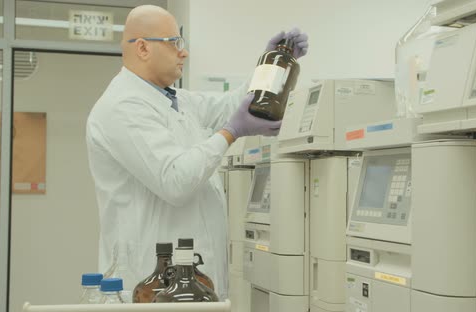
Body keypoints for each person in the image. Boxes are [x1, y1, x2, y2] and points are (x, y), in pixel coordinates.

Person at [85, 5, 309, 300]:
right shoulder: (121, 107)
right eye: (175, 43)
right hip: (150, 285)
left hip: (191, 280)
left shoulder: (174, 99)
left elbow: (233, 104)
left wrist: (268, 68)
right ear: (142, 48)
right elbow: (175, 180)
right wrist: (230, 133)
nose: (184, 53)